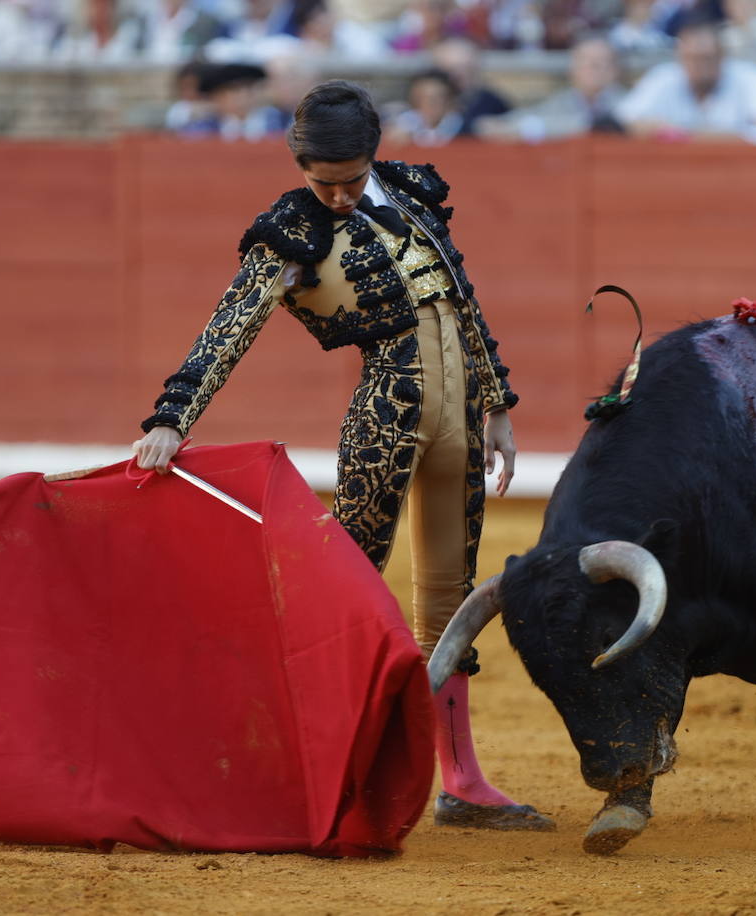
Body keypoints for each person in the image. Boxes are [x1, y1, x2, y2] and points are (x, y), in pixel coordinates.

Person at [133, 80, 554, 832]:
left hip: (460, 423)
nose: (335, 196)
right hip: (383, 424)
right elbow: (230, 326)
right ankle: (328, 771)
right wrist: (172, 418)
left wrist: (496, 407)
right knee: (349, 600)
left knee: (449, 609)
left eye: (350, 180)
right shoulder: (289, 231)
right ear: (300, 165)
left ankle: (460, 781)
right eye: (321, 181)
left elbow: (459, 300)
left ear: (373, 157)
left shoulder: (409, 194)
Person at [615, 12, 756, 143]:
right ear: (681, 57)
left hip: (740, 176)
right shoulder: (664, 77)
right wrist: (655, 129)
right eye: (692, 58)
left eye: (706, 58)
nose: (699, 66)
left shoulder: (752, 77)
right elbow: (621, 122)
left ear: (721, 56)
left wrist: (691, 136)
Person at [476, 32, 626, 141]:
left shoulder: (630, 104)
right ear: (573, 69)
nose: (594, 68)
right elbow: (508, 123)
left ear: (616, 70)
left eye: (602, 62)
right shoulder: (559, 103)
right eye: (587, 62)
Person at [386, 67, 465, 145]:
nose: (429, 103)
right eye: (422, 98)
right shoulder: (405, 122)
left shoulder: (463, 127)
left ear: (449, 100)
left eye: (437, 98)